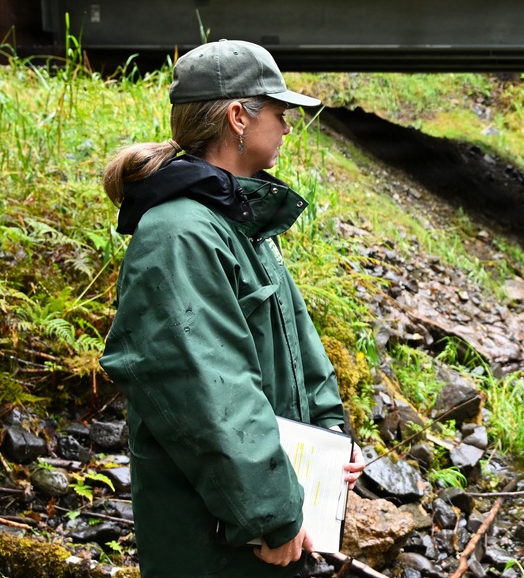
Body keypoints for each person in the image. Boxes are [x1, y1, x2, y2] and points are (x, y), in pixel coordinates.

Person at [100, 39, 365, 577]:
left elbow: (299, 346)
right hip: (215, 544)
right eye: (280, 112)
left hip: (256, 524)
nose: (289, 126)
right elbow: (205, 390)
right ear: (239, 117)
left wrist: (331, 444)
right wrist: (271, 514)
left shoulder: (241, 224)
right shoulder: (179, 234)